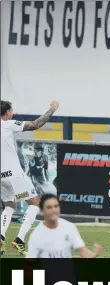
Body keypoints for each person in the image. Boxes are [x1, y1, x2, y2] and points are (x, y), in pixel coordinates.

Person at [1, 100, 59, 255]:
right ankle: (19, 240)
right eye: (11, 110)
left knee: (9, 205)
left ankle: (1, 237)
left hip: (1, 178)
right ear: (8, 113)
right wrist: (52, 110)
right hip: (13, 174)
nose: (12, 112)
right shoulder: (8, 124)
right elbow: (35, 125)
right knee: (34, 203)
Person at [26, 193, 103, 258]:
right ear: (42, 211)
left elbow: (83, 252)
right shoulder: (36, 236)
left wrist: (95, 254)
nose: (54, 210)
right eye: (49, 207)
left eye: (56, 206)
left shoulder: (69, 227)